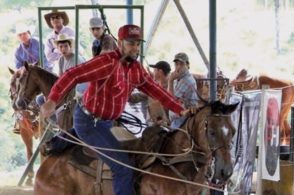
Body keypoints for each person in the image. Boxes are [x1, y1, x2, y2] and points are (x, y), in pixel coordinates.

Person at [41, 24, 186, 195]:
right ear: (120, 42)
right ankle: (65, 139)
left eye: (138, 44)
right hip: (89, 121)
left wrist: (180, 109)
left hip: (106, 121)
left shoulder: (136, 69)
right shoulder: (106, 62)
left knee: (135, 153)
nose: (135, 48)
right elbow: (72, 74)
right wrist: (52, 100)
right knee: (123, 168)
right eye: (131, 43)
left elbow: (155, 90)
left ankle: (62, 140)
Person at [168, 52, 199, 128]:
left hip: (183, 119)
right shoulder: (179, 78)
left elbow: (171, 100)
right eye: (176, 64)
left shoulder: (187, 80)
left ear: (187, 65)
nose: (178, 67)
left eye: (181, 64)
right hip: (178, 117)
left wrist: (170, 81)